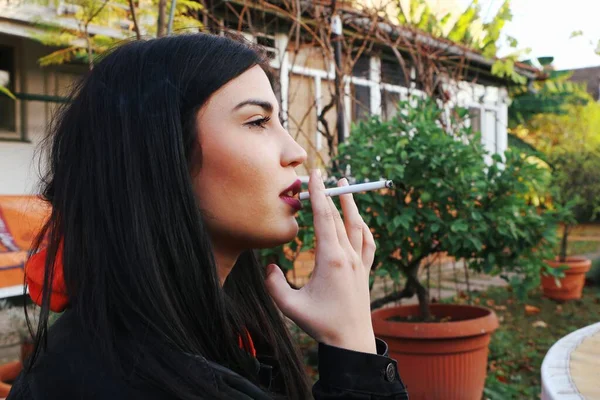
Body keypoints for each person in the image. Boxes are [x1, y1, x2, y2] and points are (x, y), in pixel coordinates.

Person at [7, 33, 408, 400]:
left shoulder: (218, 332)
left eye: (279, 122)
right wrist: (353, 344)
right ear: (162, 157)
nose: (296, 152)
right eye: (257, 121)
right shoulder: (130, 382)